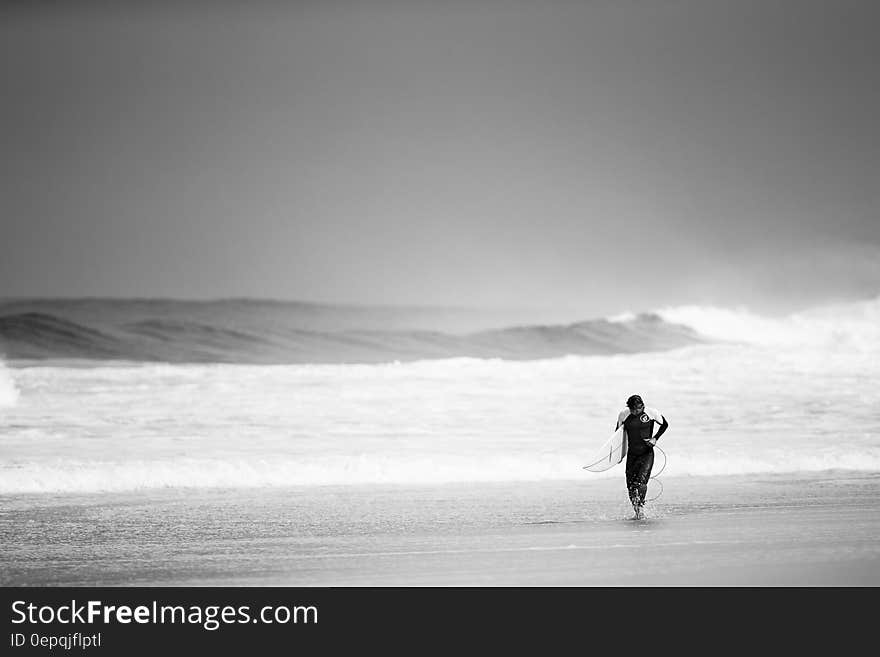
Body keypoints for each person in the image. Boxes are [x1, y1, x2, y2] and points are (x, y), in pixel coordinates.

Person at [616, 394, 669, 519]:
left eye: (639, 409)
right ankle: (637, 511)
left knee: (641, 482)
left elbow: (665, 424)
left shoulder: (651, 413)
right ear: (629, 407)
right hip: (632, 454)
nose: (636, 411)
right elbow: (617, 436)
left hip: (646, 453)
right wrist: (618, 456)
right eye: (633, 409)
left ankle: (640, 508)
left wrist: (655, 438)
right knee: (630, 486)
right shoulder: (624, 415)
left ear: (642, 406)